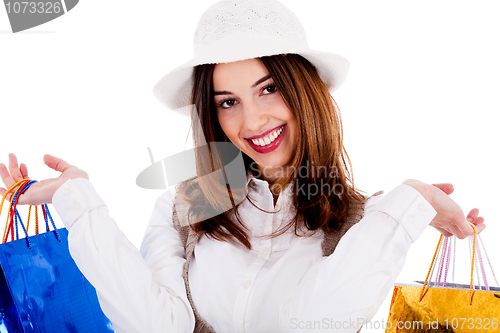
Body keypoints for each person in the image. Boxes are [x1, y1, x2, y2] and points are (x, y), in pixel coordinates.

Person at [0, 0, 486, 332]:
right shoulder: (184, 205)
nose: (251, 121)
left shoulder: (363, 225)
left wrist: (409, 202)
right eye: (227, 101)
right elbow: (153, 325)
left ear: (305, 91)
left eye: (269, 88)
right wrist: (80, 203)